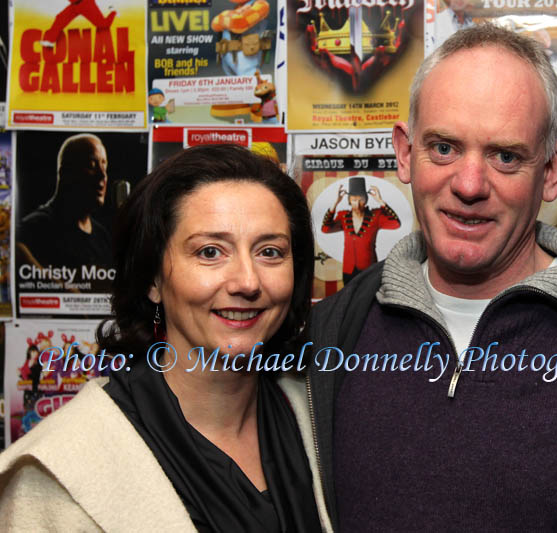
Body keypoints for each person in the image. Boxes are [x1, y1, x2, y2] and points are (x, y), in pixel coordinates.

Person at [307, 24, 557, 531]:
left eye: (505, 156)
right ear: (405, 154)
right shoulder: (328, 336)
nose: (469, 185)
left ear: (554, 172)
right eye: (444, 148)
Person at [0, 145, 331, 532]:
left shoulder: (321, 417)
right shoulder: (57, 472)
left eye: (270, 252)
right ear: (153, 279)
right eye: (210, 252)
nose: (248, 281)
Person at [16, 133, 112, 270]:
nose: (103, 175)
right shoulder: (35, 228)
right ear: (65, 173)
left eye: (104, 165)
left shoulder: (102, 237)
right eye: (92, 165)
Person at [321, 176, 401, 284]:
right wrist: (335, 203)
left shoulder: (375, 216)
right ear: (349, 201)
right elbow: (325, 229)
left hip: (369, 269)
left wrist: (381, 201)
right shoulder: (343, 217)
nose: (357, 204)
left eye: (361, 200)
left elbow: (395, 224)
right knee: (348, 299)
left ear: (366, 200)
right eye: (354, 200)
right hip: (349, 270)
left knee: (369, 299)